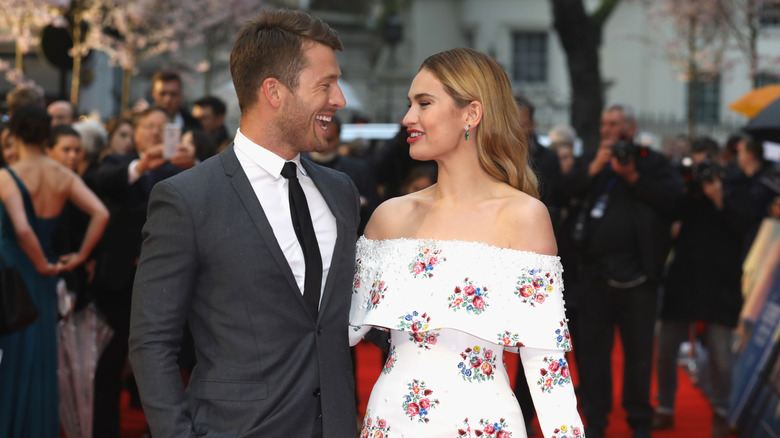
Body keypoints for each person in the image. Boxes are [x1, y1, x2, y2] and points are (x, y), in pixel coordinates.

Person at [128, 10, 360, 437]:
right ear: (274, 91)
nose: (339, 100)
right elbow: (152, 343)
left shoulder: (341, 191)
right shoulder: (188, 198)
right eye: (325, 85)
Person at [348, 47, 583, 437]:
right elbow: (339, 330)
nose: (408, 118)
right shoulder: (389, 217)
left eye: (424, 103)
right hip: (388, 424)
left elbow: (547, 368)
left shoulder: (522, 217)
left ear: (471, 114)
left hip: (482, 426)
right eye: (410, 104)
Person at [563, 103, 681, 438]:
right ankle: (596, 422)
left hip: (641, 279)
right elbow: (558, 192)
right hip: (594, 277)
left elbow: (674, 200)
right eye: (603, 123)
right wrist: (593, 170)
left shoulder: (653, 163)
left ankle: (639, 422)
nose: (607, 130)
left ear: (629, 128)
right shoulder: (592, 161)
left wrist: (632, 177)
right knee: (593, 355)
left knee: (639, 356)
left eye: (614, 123)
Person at [0, 104, 108, 438]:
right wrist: (77, 257)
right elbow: (101, 214)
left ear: (14, 135)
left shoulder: (7, 175)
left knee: (12, 361)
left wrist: (38, 262)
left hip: (13, 277)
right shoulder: (62, 175)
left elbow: (22, 229)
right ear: (47, 135)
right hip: (43, 278)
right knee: (42, 360)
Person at [91, 106, 197, 438]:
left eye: (161, 127)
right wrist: (141, 165)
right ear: (135, 132)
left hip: (169, 284)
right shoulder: (118, 164)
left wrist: (193, 165)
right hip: (121, 283)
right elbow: (105, 184)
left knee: (165, 362)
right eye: (148, 127)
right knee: (110, 364)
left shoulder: (181, 170)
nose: (154, 133)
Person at [652, 137, 746, 437]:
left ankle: (720, 412)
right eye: (697, 163)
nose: (703, 169)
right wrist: (686, 186)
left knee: (720, 352)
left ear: (719, 159)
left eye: (707, 162)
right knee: (666, 347)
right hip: (684, 278)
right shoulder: (686, 188)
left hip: (721, 282)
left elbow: (745, 226)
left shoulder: (735, 185)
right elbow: (667, 211)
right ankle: (665, 407)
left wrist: (719, 199)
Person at [307, 116, 379, 234]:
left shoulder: (360, 169)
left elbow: (374, 208)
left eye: (329, 140)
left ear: (339, 138)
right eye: (318, 138)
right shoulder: (295, 168)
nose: (323, 145)